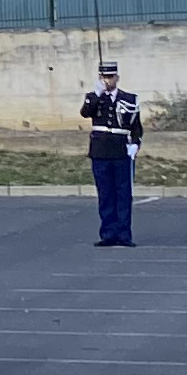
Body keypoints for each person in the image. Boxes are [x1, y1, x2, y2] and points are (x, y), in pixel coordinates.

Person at [79, 60, 143, 247]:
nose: (108, 81)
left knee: (123, 194)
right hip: (100, 151)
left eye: (111, 77)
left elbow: (136, 126)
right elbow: (85, 113)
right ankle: (108, 233)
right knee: (105, 194)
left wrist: (136, 144)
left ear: (117, 78)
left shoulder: (129, 98)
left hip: (121, 149)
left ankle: (124, 235)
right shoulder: (93, 97)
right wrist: (98, 94)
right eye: (104, 77)